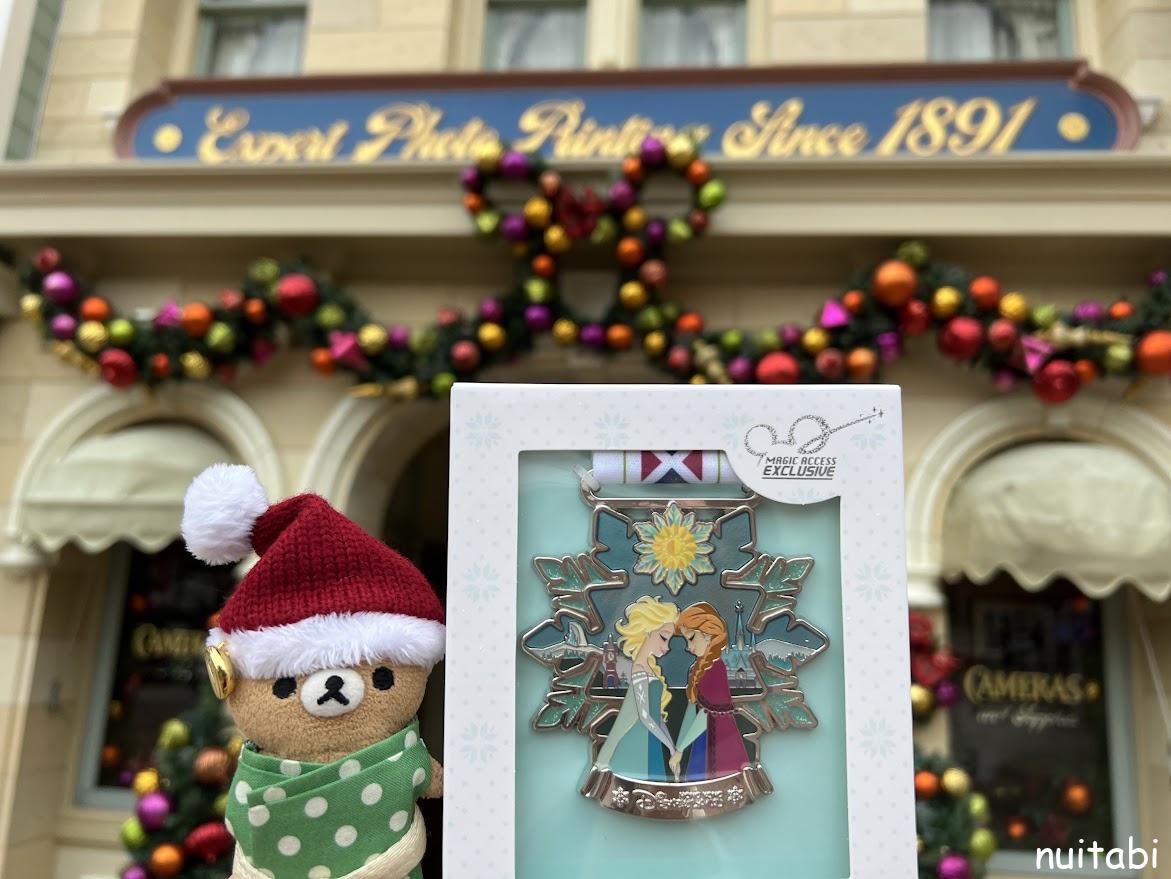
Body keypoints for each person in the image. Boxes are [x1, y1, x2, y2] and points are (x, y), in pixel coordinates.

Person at [594, 596, 679, 782]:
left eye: (669, 640)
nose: (667, 647)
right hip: (638, 742)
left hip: (652, 740)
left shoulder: (649, 669)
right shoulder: (639, 669)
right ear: (647, 632)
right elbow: (645, 716)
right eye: (663, 637)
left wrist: (673, 748)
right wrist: (670, 747)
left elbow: (656, 716)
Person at [671, 602, 750, 780]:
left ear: (708, 635)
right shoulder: (697, 669)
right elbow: (692, 713)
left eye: (691, 638)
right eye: (686, 640)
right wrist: (679, 749)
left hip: (720, 740)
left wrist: (680, 749)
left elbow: (704, 716)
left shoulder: (715, 668)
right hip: (703, 738)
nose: (688, 647)